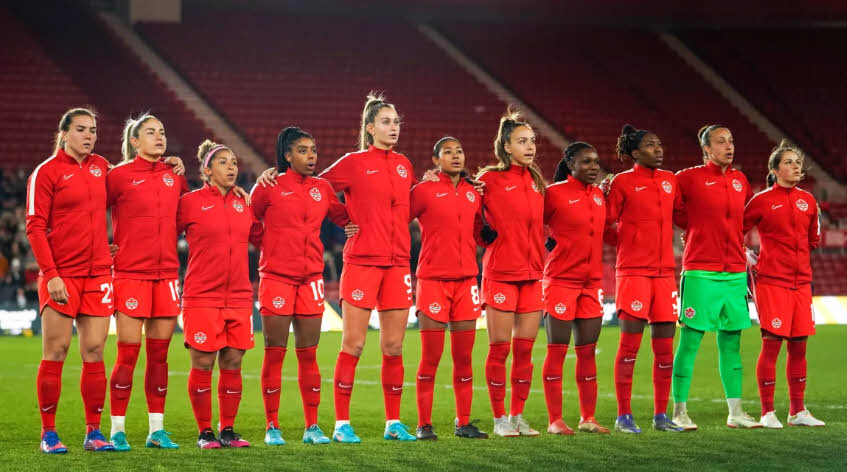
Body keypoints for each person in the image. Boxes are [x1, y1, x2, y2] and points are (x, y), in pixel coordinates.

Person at [250, 127, 352, 445]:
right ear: (287, 155)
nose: (312, 156)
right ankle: (272, 426)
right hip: (276, 279)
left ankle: (312, 427)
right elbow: (246, 220)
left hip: (311, 280)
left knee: (309, 355)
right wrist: (269, 246)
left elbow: (345, 216)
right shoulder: (268, 187)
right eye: (304, 150)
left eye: (314, 150)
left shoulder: (322, 188)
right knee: (275, 354)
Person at [27, 108, 115, 453]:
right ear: (64, 133)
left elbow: (133, 194)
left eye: (92, 129)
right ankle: (49, 433)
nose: (89, 135)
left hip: (98, 275)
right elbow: (35, 226)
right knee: (57, 350)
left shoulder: (103, 168)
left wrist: (166, 165)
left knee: (94, 351)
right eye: (80, 129)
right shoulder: (46, 172)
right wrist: (51, 274)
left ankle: (93, 432)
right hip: (62, 276)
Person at [105, 113, 189, 450]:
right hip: (130, 275)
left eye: (163, 131)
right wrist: (100, 244)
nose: (159, 137)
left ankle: (157, 430)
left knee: (159, 358)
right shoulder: (118, 176)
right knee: (127, 356)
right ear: (135, 141)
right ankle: (117, 429)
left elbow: (188, 215)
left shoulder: (174, 176)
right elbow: (91, 210)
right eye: (150, 132)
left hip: (167, 275)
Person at [672, 125, 761, 429]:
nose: (729, 146)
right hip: (700, 272)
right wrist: (692, 228)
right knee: (690, 341)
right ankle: (679, 411)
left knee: (732, 344)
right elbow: (671, 209)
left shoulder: (740, 181)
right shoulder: (687, 178)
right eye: (721, 141)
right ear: (706, 149)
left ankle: (736, 412)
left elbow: (742, 219)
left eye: (731, 140)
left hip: (734, 273)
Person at [178, 140, 262, 448]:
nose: (232, 167)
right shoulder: (189, 202)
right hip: (201, 295)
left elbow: (263, 238)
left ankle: (227, 430)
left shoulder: (245, 204)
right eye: (224, 162)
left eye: (234, 163)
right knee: (202, 363)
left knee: (233, 362)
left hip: (239, 295)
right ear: (207, 170)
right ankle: (204, 432)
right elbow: (162, 234)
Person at [605, 125, 684, 433]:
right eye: (651, 145)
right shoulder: (623, 182)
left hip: (665, 274)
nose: (659, 149)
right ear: (635, 153)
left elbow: (682, 216)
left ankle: (661, 416)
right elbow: (605, 222)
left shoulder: (670, 181)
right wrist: (629, 242)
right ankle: (623, 416)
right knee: (629, 347)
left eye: (660, 144)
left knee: (664, 350)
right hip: (633, 273)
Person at [743, 140, 824, 428]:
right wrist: (750, 258)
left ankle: (797, 411)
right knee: (772, 344)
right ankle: (767, 412)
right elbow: (733, 231)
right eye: (789, 162)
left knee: (799, 346)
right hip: (771, 283)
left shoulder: (809, 201)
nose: (796, 166)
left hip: (802, 283)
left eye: (797, 162)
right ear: (775, 170)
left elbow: (814, 239)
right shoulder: (761, 200)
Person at [410, 137, 488, 440]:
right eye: (448, 152)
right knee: (430, 357)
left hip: (467, 281)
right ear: (435, 160)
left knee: (464, 358)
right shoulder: (424, 191)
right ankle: (424, 424)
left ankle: (463, 422)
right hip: (432, 282)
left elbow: (483, 234)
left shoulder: (474, 193)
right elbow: (396, 214)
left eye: (459, 151)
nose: (455, 156)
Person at [475, 111, 545, 437]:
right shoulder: (488, 180)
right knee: (499, 349)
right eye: (522, 141)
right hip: (501, 273)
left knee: (525, 351)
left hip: (533, 275)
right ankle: (499, 418)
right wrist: (481, 238)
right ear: (506, 146)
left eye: (532, 141)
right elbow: (468, 213)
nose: (530, 147)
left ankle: (517, 415)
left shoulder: (536, 182)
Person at [541, 142, 610, 435]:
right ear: (571, 164)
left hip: (591, 282)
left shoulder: (598, 196)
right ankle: (555, 420)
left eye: (596, 161)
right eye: (586, 162)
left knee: (587, 351)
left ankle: (588, 418)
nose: (594, 167)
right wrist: (549, 247)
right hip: (560, 281)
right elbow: (532, 224)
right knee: (557, 351)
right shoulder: (554, 193)